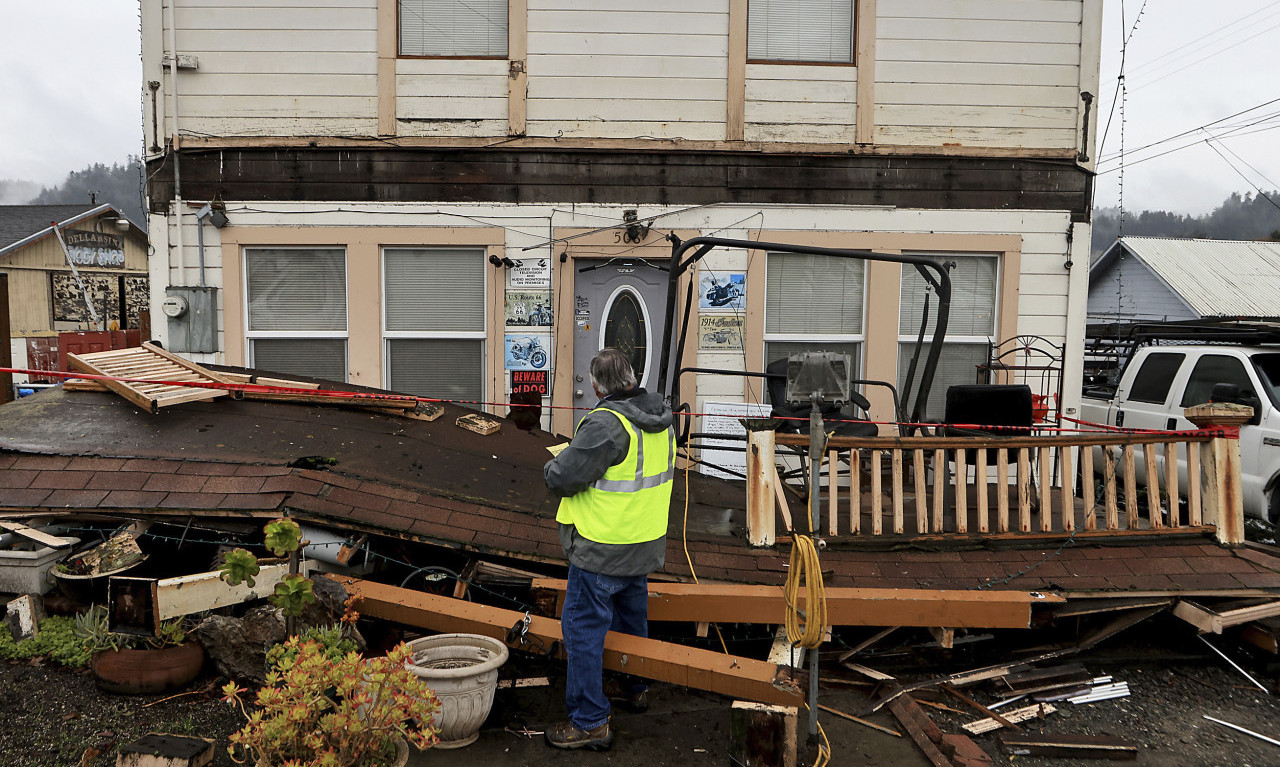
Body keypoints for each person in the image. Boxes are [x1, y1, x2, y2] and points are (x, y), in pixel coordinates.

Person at [542, 348, 675, 751]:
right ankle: (633, 686)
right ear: (633, 379)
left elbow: (562, 478)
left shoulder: (606, 424)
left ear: (597, 386)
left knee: (581, 630)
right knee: (631, 619)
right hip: (641, 543)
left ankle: (590, 721)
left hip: (602, 548)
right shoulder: (662, 419)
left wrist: (553, 465)